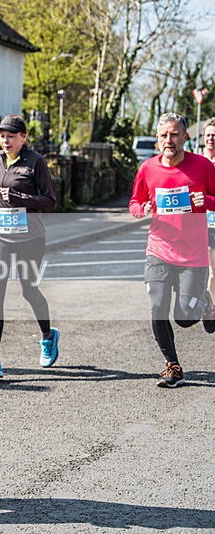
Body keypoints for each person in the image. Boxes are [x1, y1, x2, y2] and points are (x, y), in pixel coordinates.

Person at [129, 112, 215, 388]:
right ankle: (172, 366)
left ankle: (204, 302)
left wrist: (209, 199)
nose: (169, 140)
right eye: (164, 135)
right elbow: (134, 202)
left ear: (185, 137)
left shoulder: (202, 166)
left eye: (175, 134)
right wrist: (140, 209)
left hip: (193, 255)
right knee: (157, 308)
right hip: (159, 250)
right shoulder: (148, 169)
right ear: (157, 139)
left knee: (184, 319)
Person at [0, 115, 60, 379]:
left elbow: (50, 201)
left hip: (29, 236)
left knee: (29, 289)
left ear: (23, 137)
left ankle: (47, 336)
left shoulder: (36, 162)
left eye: (11, 136)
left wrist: (23, 198)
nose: (5, 140)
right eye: (2, 136)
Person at [202, 118, 215, 322]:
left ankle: (210, 309)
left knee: (213, 270)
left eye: (214, 136)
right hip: (197, 224)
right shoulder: (197, 162)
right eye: (208, 135)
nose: (211, 139)